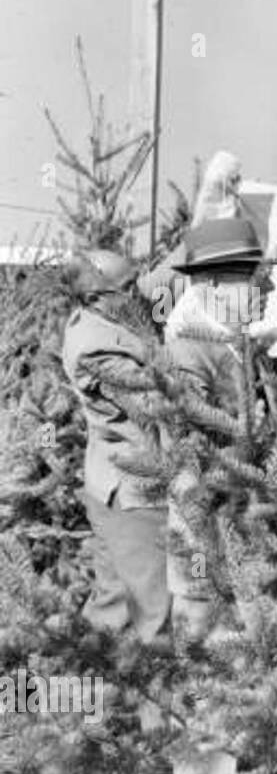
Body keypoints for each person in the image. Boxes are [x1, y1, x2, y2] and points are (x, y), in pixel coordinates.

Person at [158, 216, 272, 638]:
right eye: (254, 279)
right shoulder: (189, 346)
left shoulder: (236, 341)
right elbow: (186, 433)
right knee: (202, 607)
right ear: (213, 287)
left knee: (249, 605)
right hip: (207, 504)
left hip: (238, 501)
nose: (266, 289)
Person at [61, 250, 170, 645]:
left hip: (107, 485)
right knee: (153, 612)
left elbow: (160, 277)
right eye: (128, 288)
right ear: (97, 296)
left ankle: (86, 691)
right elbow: (151, 404)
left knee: (112, 604)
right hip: (134, 492)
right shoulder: (96, 347)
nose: (138, 295)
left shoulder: (106, 317)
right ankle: (155, 702)